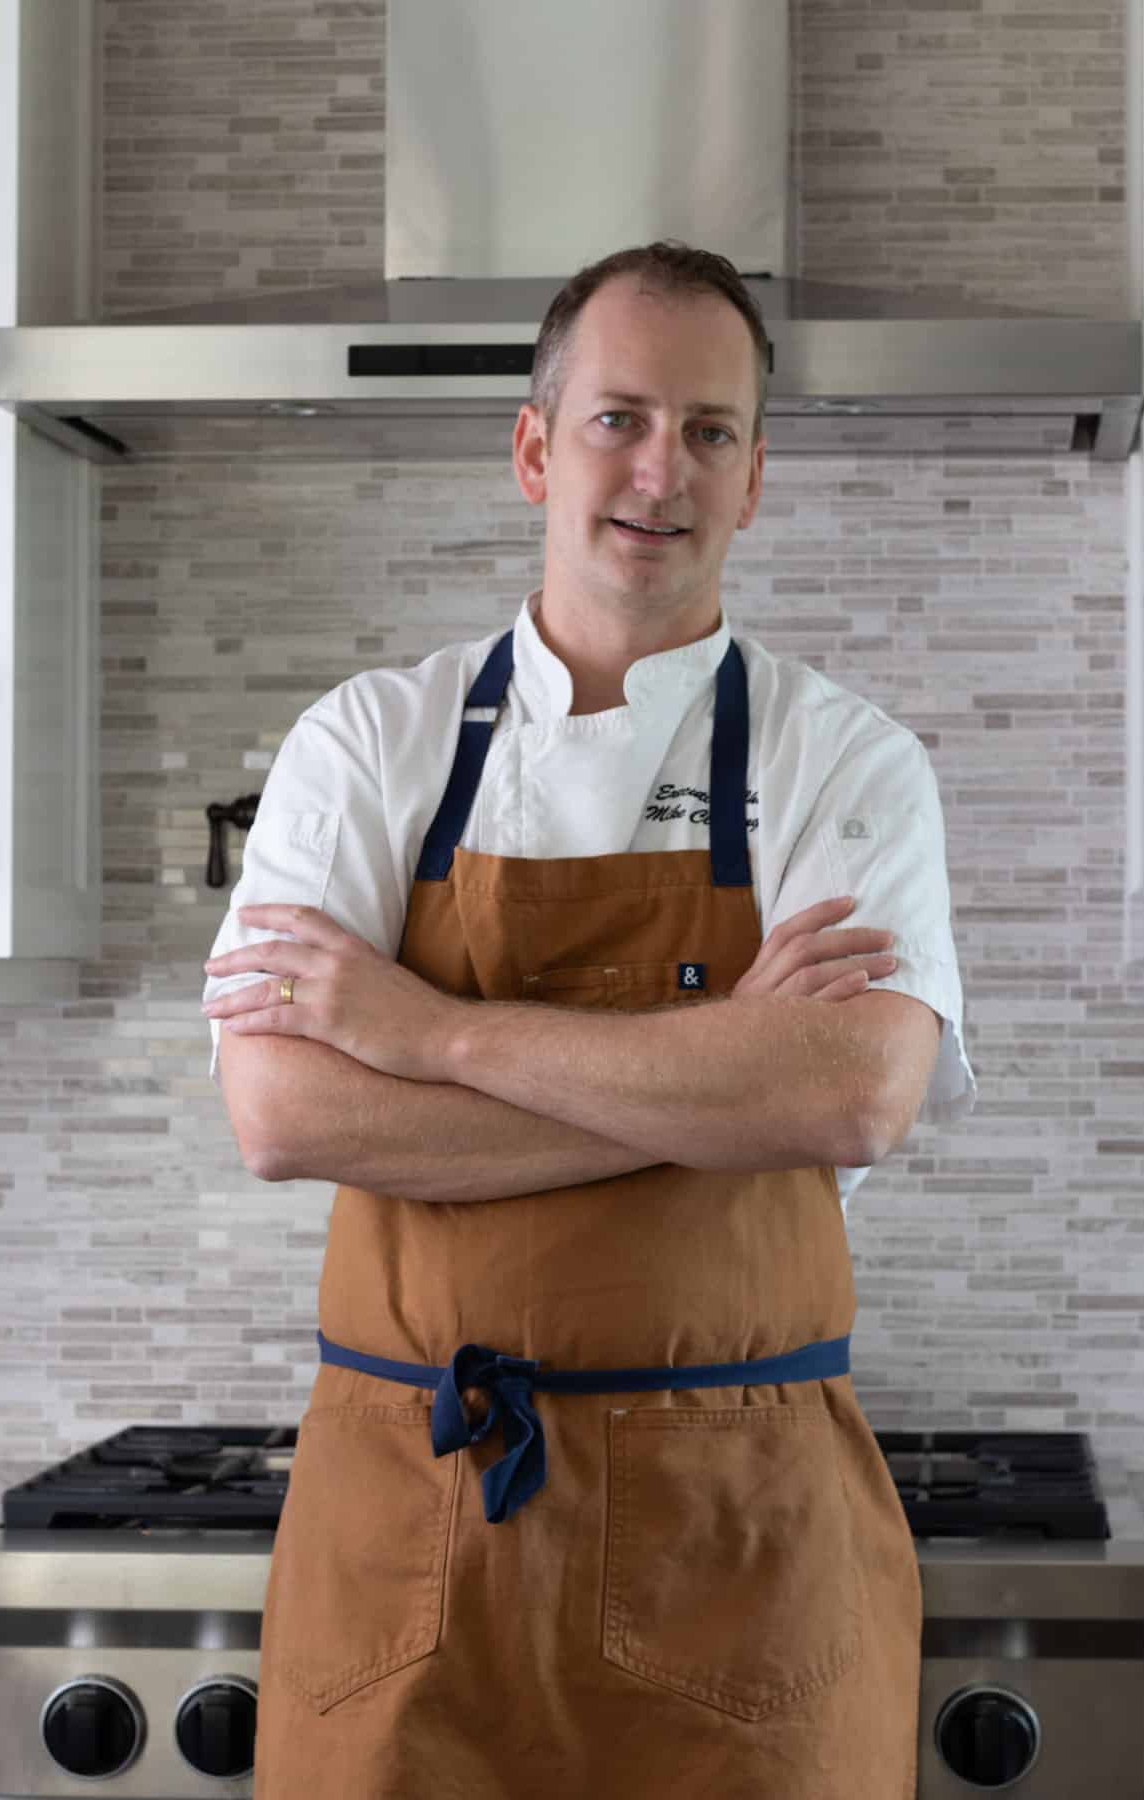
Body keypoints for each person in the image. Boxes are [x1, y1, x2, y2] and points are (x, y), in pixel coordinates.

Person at [201, 239, 976, 1799]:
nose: (660, 471)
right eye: (619, 418)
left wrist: (431, 1034)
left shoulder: (849, 762)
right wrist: (707, 1079)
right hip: (408, 1539)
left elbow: (848, 1097)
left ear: (754, 478)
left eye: (711, 431)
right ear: (534, 446)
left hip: (735, 1550)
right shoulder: (367, 742)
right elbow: (285, 1115)